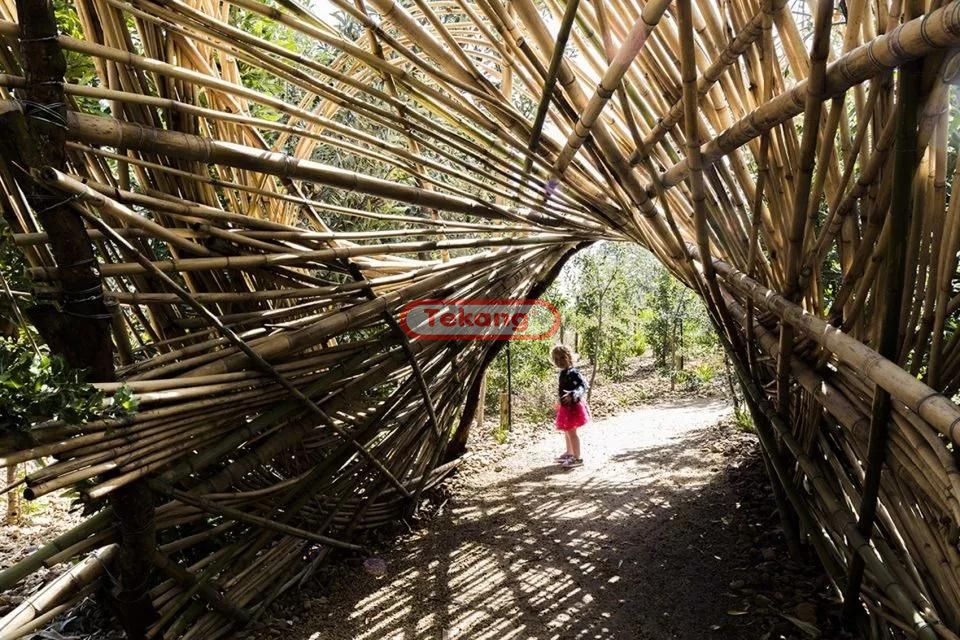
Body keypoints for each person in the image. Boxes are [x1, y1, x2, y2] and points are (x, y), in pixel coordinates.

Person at [551, 344, 590, 467]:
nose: (559, 362)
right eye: (556, 359)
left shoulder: (573, 372)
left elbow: (582, 386)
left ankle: (577, 458)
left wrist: (574, 394)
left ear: (569, 357)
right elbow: (562, 390)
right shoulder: (563, 373)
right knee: (567, 431)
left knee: (572, 433)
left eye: (562, 358)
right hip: (566, 407)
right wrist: (559, 401)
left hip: (573, 407)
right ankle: (570, 452)